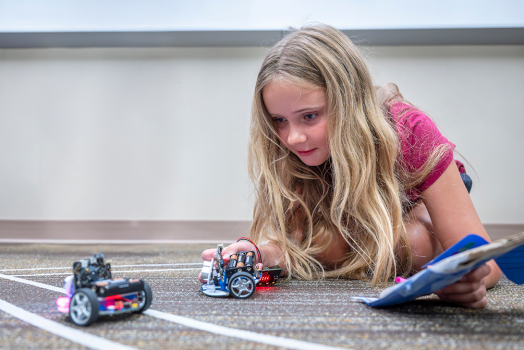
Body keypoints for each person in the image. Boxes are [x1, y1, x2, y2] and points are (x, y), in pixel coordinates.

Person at [200, 24, 500, 308]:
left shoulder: (411, 132)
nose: (293, 137)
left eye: (309, 116)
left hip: (411, 192)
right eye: (279, 120)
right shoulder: (289, 149)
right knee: (330, 243)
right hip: (347, 208)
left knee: (413, 242)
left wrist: (465, 279)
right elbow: (297, 246)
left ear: (348, 102)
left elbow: (487, 265)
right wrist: (260, 254)